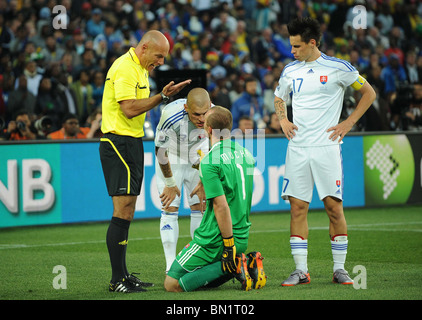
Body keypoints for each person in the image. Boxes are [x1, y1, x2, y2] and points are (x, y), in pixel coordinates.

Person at [273, 17, 376, 286]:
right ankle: (300, 271)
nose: (292, 51)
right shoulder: (289, 71)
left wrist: (348, 122)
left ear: (312, 43)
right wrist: (283, 119)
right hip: (297, 148)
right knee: (298, 208)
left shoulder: (339, 68)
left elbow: (369, 93)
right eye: (291, 46)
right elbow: (279, 96)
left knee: (333, 207)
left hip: (327, 147)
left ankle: (339, 268)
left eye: (296, 46)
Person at [99, 30, 191, 293]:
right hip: (118, 142)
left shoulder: (140, 68)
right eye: (159, 56)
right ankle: (117, 279)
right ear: (145, 48)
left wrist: (161, 94)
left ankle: (123, 276)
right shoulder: (126, 68)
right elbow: (128, 109)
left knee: (127, 209)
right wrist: (161, 97)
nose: (161, 62)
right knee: (123, 209)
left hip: (131, 141)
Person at [164, 106, 266, 292]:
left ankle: (234, 265)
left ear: (209, 130)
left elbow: (221, 205)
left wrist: (228, 245)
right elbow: (232, 186)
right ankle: (241, 262)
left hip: (216, 239)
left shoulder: (210, 161)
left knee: (171, 284)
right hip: (242, 237)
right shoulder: (247, 155)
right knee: (199, 277)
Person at [154, 87, 211, 273]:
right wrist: (170, 184)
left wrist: (204, 181)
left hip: (198, 154)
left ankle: (197, 260)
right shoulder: (170, 116)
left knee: (199, 206)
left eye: (205, 113)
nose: (202, 119)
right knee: (169, 208)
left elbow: (216, 148)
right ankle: (170, 266)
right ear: (186, 108)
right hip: (172, 155)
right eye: (197, 114)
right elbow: (160, 151)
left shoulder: (216, 115)